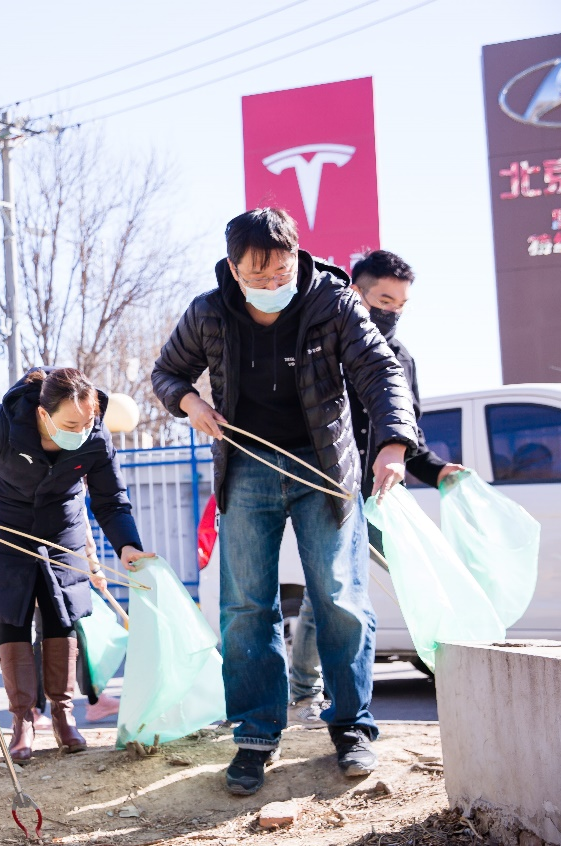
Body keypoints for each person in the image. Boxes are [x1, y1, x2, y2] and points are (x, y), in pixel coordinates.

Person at [151, 209, 418, 796]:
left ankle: (351, 728)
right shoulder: (208, 312)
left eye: (283, 270)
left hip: (324, 469)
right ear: (233, 269)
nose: (275, 283)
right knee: (246, 605)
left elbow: (381, 370)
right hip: (247, 469)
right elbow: (167, 373)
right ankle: (254, 736)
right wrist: (189, 404)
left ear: (298, 257)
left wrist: (394, 442)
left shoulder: (334, 302)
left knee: (341, 599)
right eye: (260, 274)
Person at [0, 367, 154, 763]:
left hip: (62, 530)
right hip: (5, 528)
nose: (80, 431)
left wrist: (128, 545)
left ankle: (64, 716)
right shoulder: (7, 425)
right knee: (14, 616)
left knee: (62, 616)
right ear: (44, 415)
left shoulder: (94, 437)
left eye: (87, 422)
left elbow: (111, 499)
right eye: (70, 424)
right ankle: (22, 720)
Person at [288, 249, 467, 719]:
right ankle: (305, 694)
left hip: (386, 499)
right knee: (323, 594)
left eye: (401, 305)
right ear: (357, 294)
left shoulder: (402, 359)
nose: (392, 312)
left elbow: (412, 438)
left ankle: (453, 666)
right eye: (384, 300)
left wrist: (439, 471)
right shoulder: (325, 347)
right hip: (333, 493)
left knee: (423, 574)